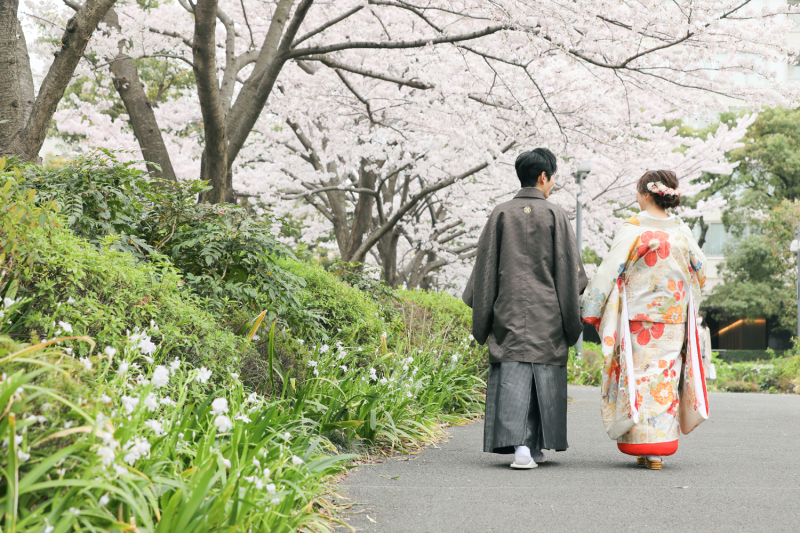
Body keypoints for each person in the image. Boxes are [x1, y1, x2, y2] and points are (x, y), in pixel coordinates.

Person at [462, 148, 587, 470]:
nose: (553, 183)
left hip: (509, 310)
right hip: (548, 312)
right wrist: (571, 314)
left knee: (513, 374)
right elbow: (570, 272)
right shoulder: (556, 214)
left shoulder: (500, 213)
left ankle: (522, 447)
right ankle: (532, 446)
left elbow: (485, 269)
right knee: (543, 375)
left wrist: (485, 308)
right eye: (553, 177)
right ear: (543, 177)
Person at [581, 170, 708, 470]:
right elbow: (701, 271)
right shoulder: (681, 231)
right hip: (673, 321)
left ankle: (641, 444)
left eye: (638, 192)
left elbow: (609, 270)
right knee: (664, 378)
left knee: (637, 378)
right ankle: (657, 451)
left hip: (637, 320)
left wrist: (591, 306)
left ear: (646, 194)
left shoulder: (633, 229)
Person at [698, 314, 714, 380]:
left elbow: (708, 344)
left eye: (700, 316)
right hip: (694, 352)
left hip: (703, 353)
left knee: (703, 372)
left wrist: (709, 356)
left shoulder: (706, 329)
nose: (698, 318)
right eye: (697, 317)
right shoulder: (692, 329)